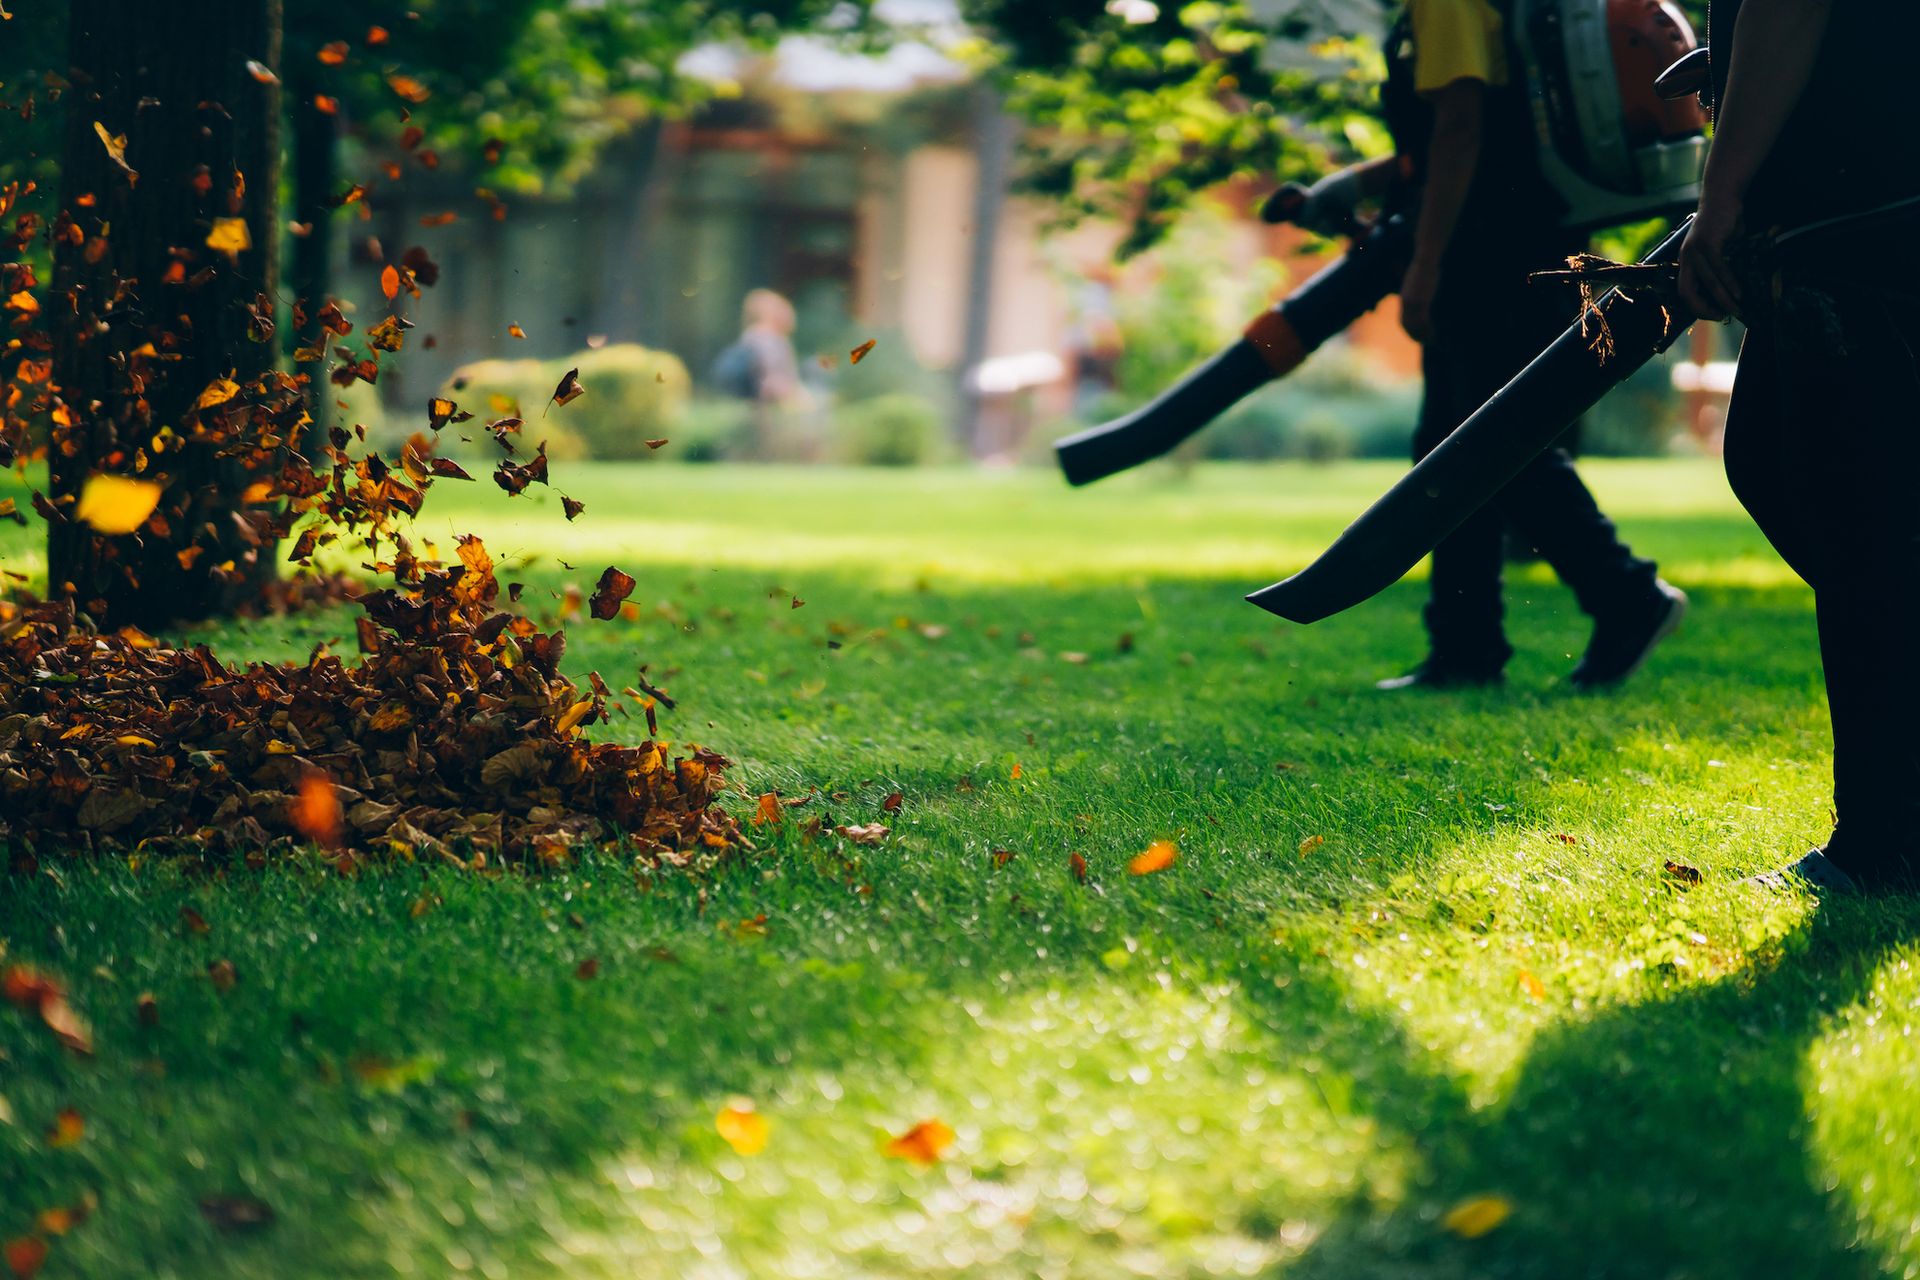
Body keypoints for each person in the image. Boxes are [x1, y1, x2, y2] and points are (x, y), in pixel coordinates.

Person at [1300, 0, 1686, 691]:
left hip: (1487, 252)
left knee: (1492, 448)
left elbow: (1462, 124)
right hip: (1522, 238)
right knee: (1458, 447)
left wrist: (1425, 263)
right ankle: (1466, 648)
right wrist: (1355, 184)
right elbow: (1477, 128)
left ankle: (1624, 595)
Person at [1677, 0, 1920, 892]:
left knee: (1858, 520)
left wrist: (1723, 190)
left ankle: (1885, 842)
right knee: (1782, 474)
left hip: (1858, 204)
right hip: (1851, 197)